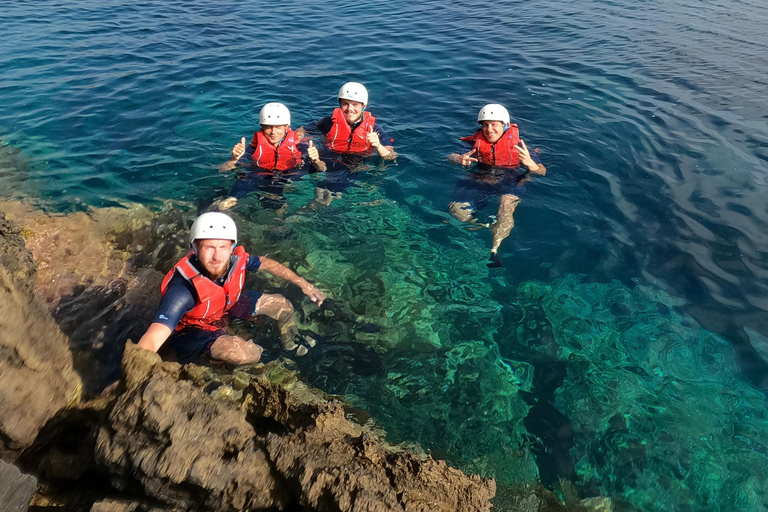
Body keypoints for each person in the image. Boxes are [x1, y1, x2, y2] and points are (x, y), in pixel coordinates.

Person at [137, 212, 326, 365]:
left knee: (282, 305)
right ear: (194, 247)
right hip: (195, 329)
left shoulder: (235, 260)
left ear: (231, 247)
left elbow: (267, 264)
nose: (217, 257)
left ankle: (291, 346)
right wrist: (129, 373)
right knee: (246, 354)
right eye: (209, 247)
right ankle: (265, 359)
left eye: (223, 247)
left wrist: (304, 284)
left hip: (227, 306)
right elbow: (154, 336)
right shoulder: (183, 290)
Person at [447, 104, 546, 268]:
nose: (489, 129)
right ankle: (484, 225)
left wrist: (531, 165)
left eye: (494, 124)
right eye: (485, 125)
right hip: (480, 180)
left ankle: (494, 249)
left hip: (510, 182)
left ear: (505, 125)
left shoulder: (520, 147)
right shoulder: (474, 145)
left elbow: (542, 172)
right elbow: (450, 156)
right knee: (456, 210)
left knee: (507, 207)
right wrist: (458, 159)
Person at [296, 82, 397, 206]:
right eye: (345, 104)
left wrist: (378, 146)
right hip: (326, 155)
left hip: (352, 162)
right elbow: (301, 130)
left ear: (363, 106)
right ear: (340, 104)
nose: (350, 109)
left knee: (326, 192)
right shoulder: (328, 123)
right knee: (292, 174)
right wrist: (299, 139)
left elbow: (391, 156)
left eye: (355, 105)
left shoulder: (375, 129)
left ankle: (312, 210)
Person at [217, 102, 326, 211]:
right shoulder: (253, 148)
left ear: (286, 127)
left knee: (276, 204)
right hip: (260, 172)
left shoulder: (299, 147)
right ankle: (232, 199)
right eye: (269, 127)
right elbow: (222, 170)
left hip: (287, 174)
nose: (273, 132)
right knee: (244, 181)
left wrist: (316, 160)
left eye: (278, 127)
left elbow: (322, 169)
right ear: (262, 127)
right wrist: (234, 159)